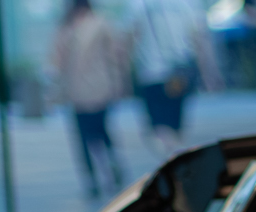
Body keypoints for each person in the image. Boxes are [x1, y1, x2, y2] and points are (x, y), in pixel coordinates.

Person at [125, 0, 222, 154]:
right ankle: (173, 154)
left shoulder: (138, 4)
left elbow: (132, 36)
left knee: (158, 125)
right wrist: (209, 72)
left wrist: (127, 69)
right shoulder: (187, 3)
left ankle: (167, 155)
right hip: (178, 71)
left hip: (150, 73)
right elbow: (198, 37)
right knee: (175, 122)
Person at [50, 0, 126, 196]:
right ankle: (103, 171)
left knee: (89, 134)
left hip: (86, 90)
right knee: (97, 132)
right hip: (91, 90)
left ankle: (95, 176)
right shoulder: (95, 24)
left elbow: (56, 63)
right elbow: (115, 57)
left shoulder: (73, 26)